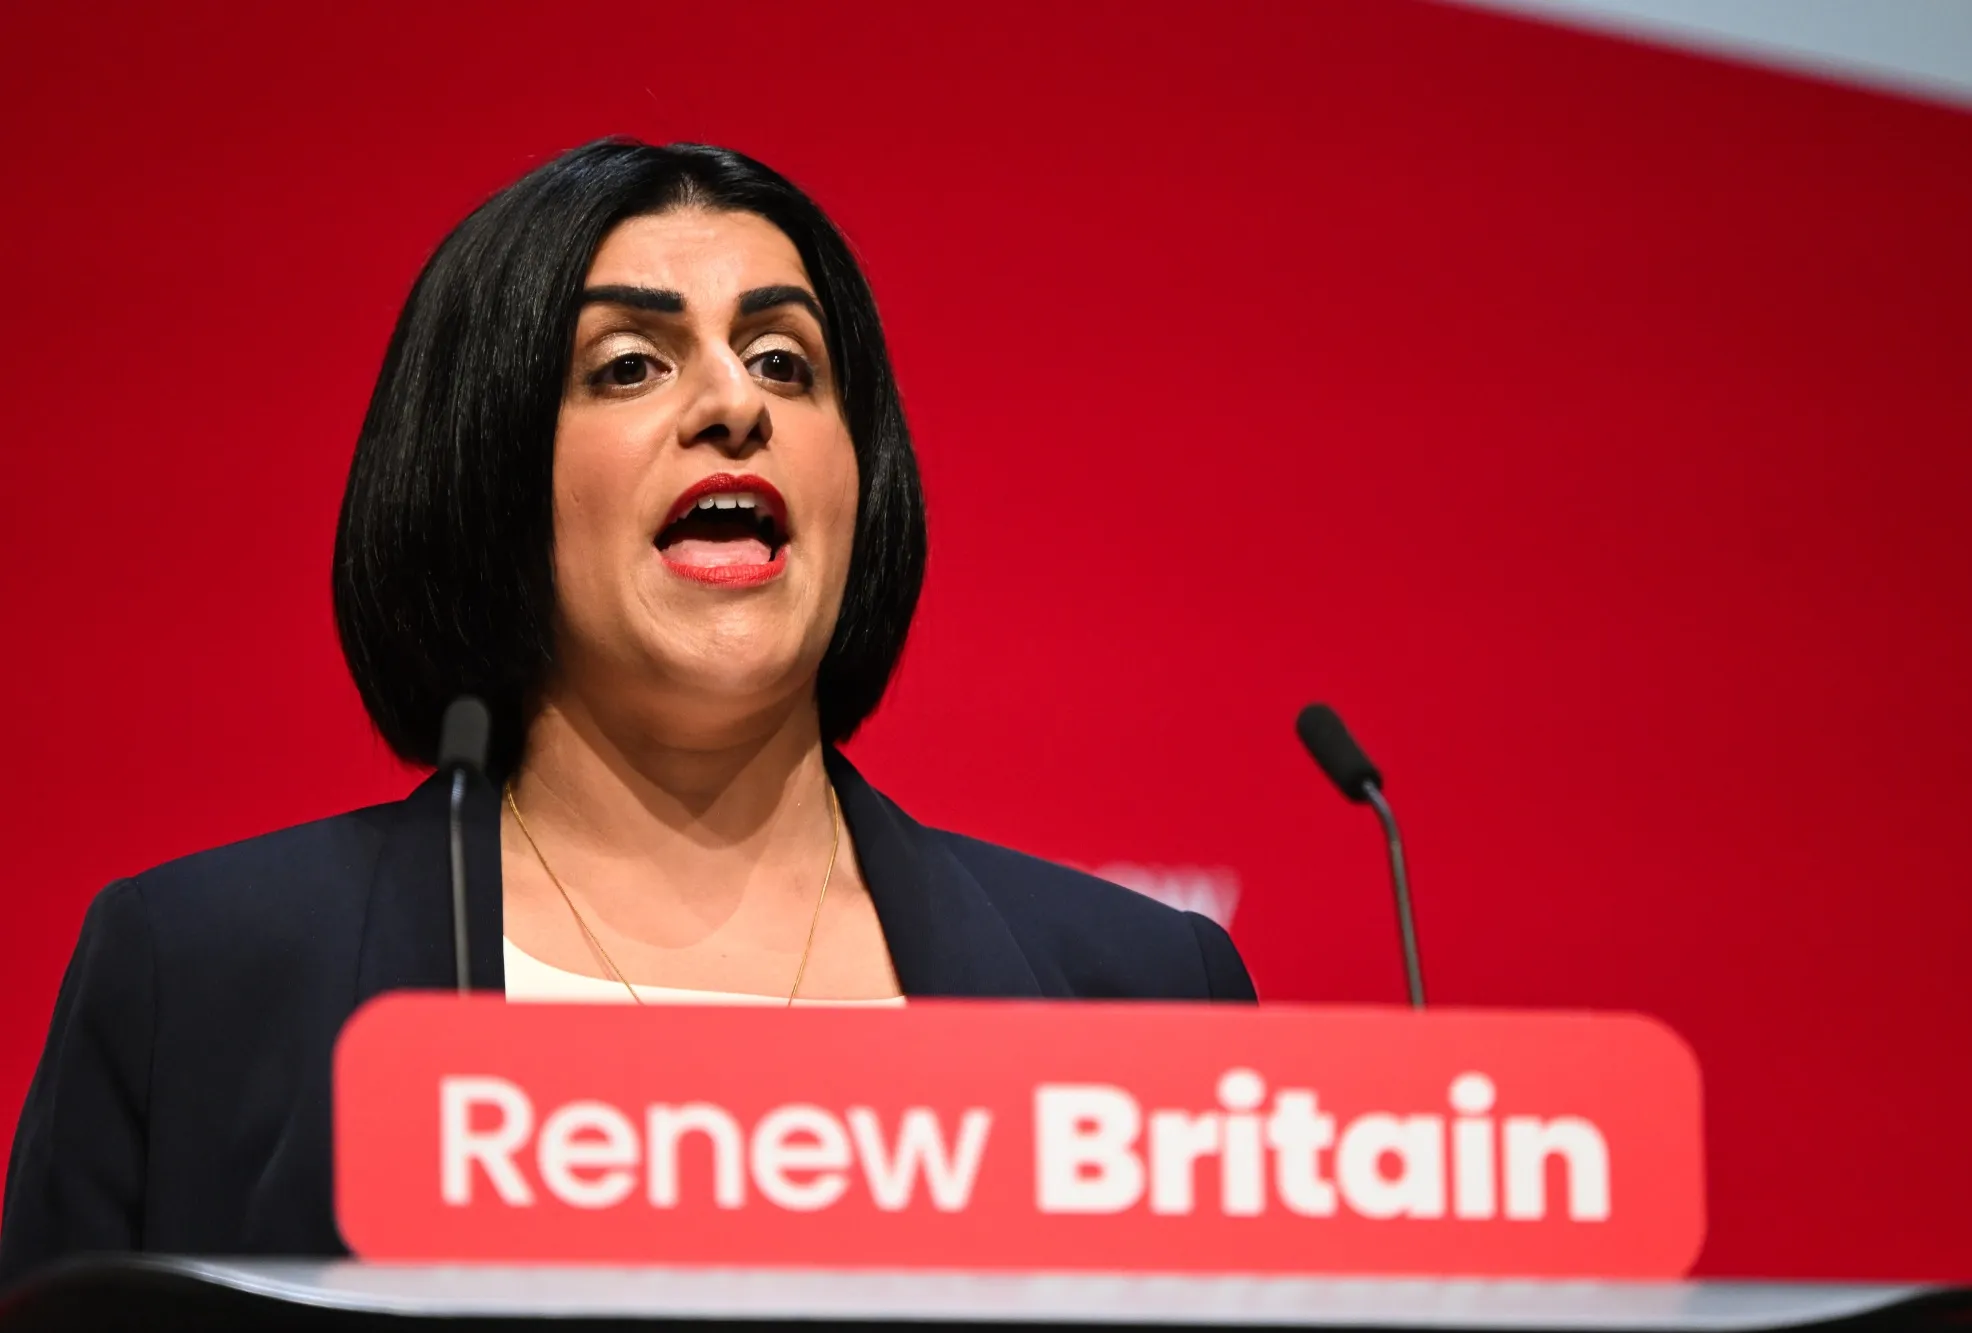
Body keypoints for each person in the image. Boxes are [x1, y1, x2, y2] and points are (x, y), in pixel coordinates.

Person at [0, 139, 1254, 1281]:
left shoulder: (1143, 998)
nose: (733, 405)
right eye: (629, 365)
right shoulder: (200, 979)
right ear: (484, 467)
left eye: (783, 360)